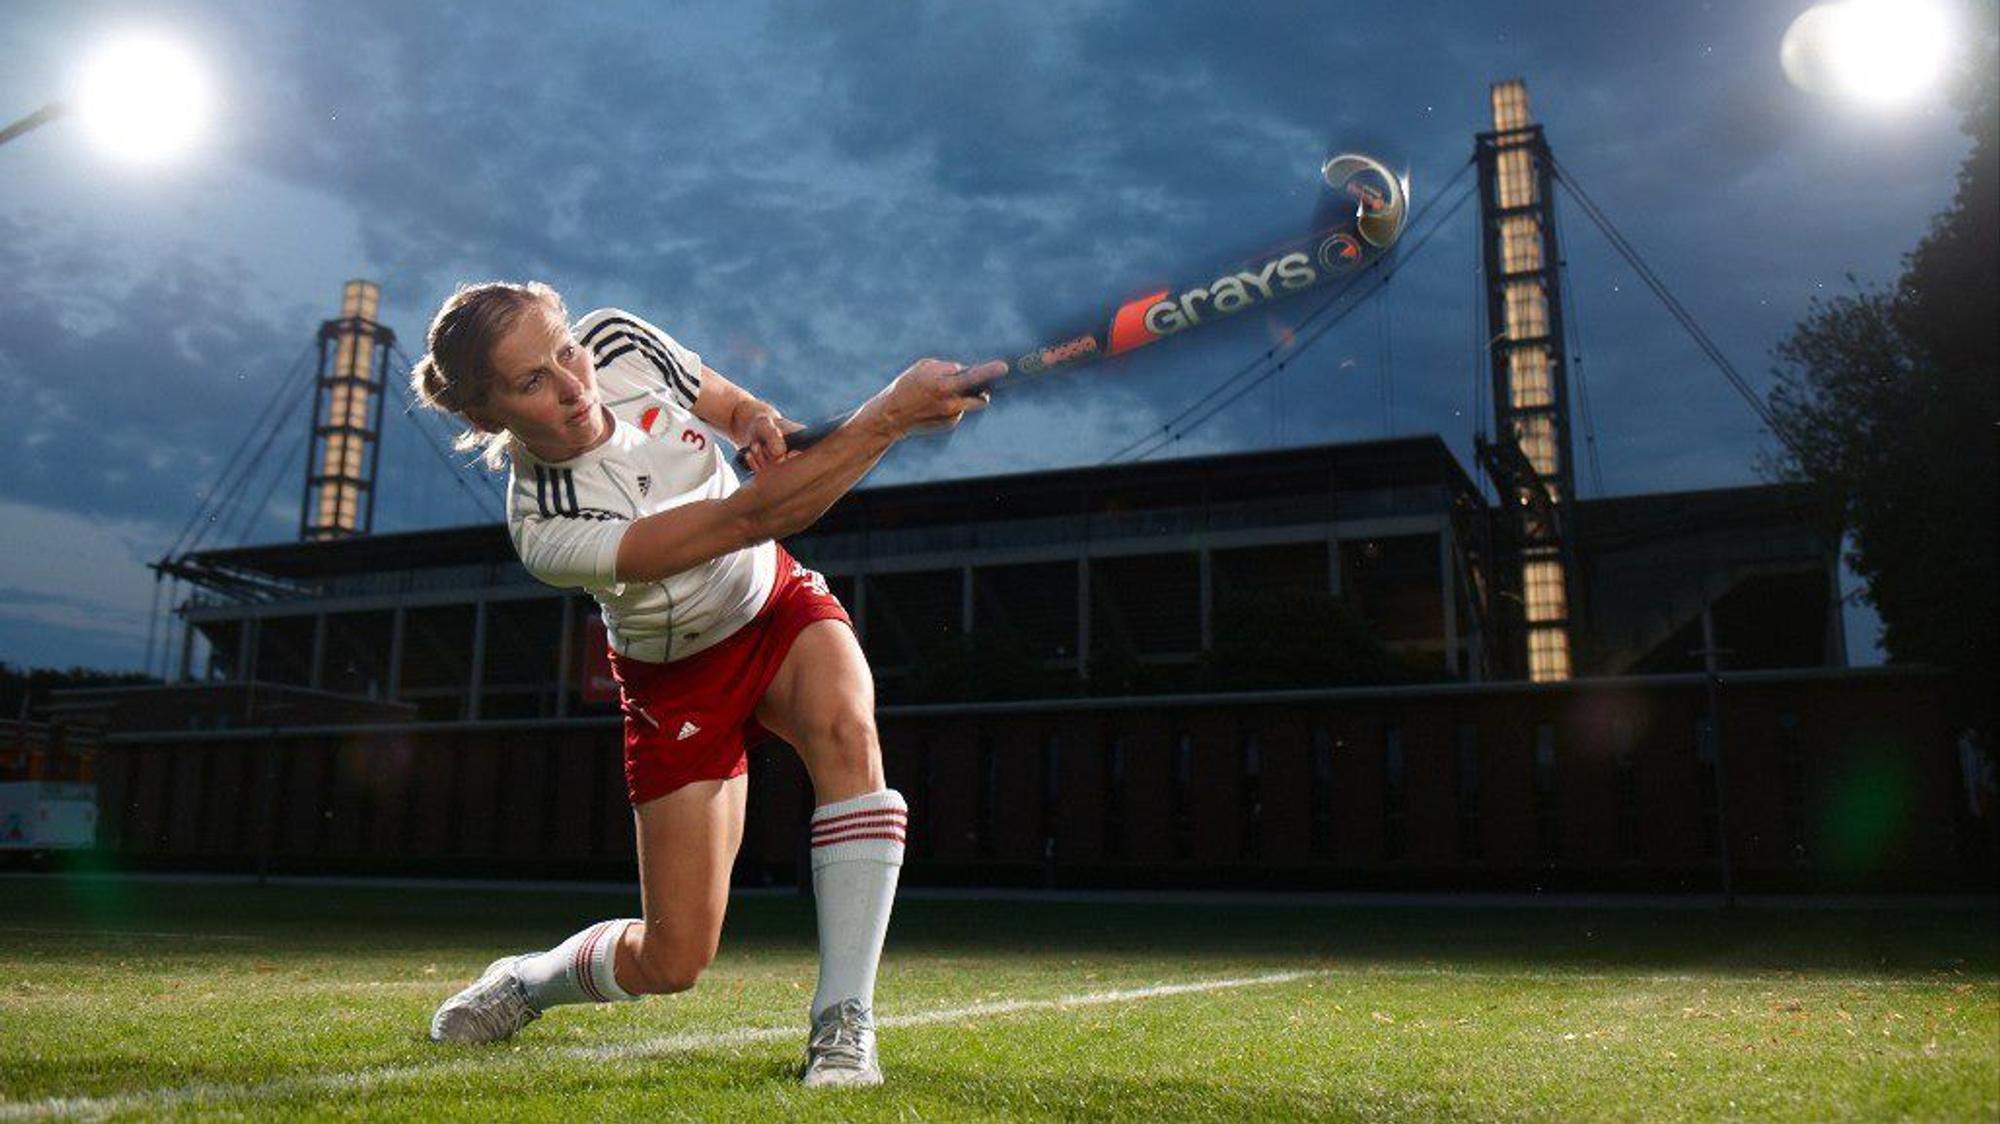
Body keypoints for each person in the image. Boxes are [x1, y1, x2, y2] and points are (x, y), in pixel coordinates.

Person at [410, 281, 1000, 1087]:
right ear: (489, 417)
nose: (573, 385)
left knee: (848, 732)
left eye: (563, 351)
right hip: (677, 679)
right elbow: (745, 518)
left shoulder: (618, 339)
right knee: (673, 956)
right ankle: (527, 981)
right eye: (531, 383)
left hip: (771, 603)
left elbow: (727, 406)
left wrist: (755, 419)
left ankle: (842, 1024)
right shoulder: (548, 526)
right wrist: (889, 417)